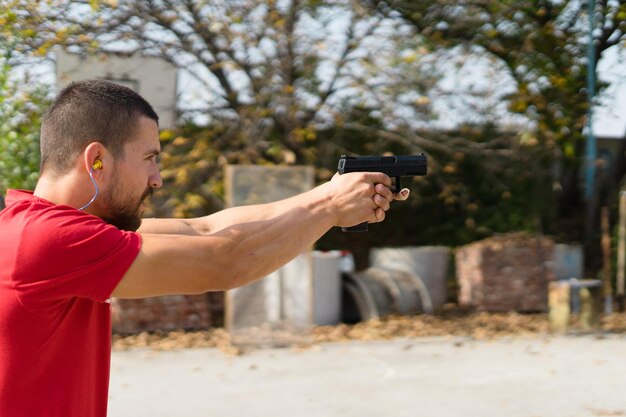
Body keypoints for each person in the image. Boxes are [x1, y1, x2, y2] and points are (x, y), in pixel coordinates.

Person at [0, 79, 408, 417]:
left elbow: (205, 228)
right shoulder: (49, 240)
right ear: (97, 161)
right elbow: (225, 261)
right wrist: (330, 206)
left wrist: (327, 195)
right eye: (149, 159)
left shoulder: (42, 227)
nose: (157, 179)